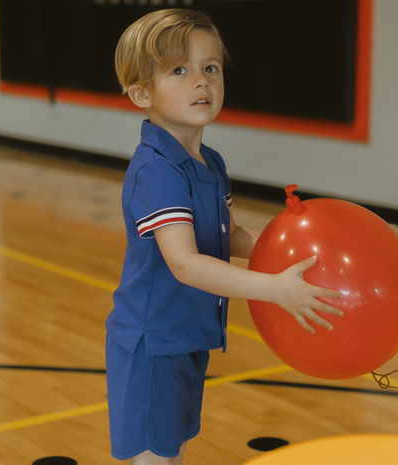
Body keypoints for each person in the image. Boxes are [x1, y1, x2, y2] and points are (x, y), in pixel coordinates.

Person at [105, 8, 343, 465]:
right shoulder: (157, 171)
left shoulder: (209, 162)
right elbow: (186, 262)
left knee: (172, 448)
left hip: (187, 336)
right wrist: (275, 289)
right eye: (180, 70)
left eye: (210, 68)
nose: (202, 81)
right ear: (140, 93)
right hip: (154, 344)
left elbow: (228, 234)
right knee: (155, 458)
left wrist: (293, 252)